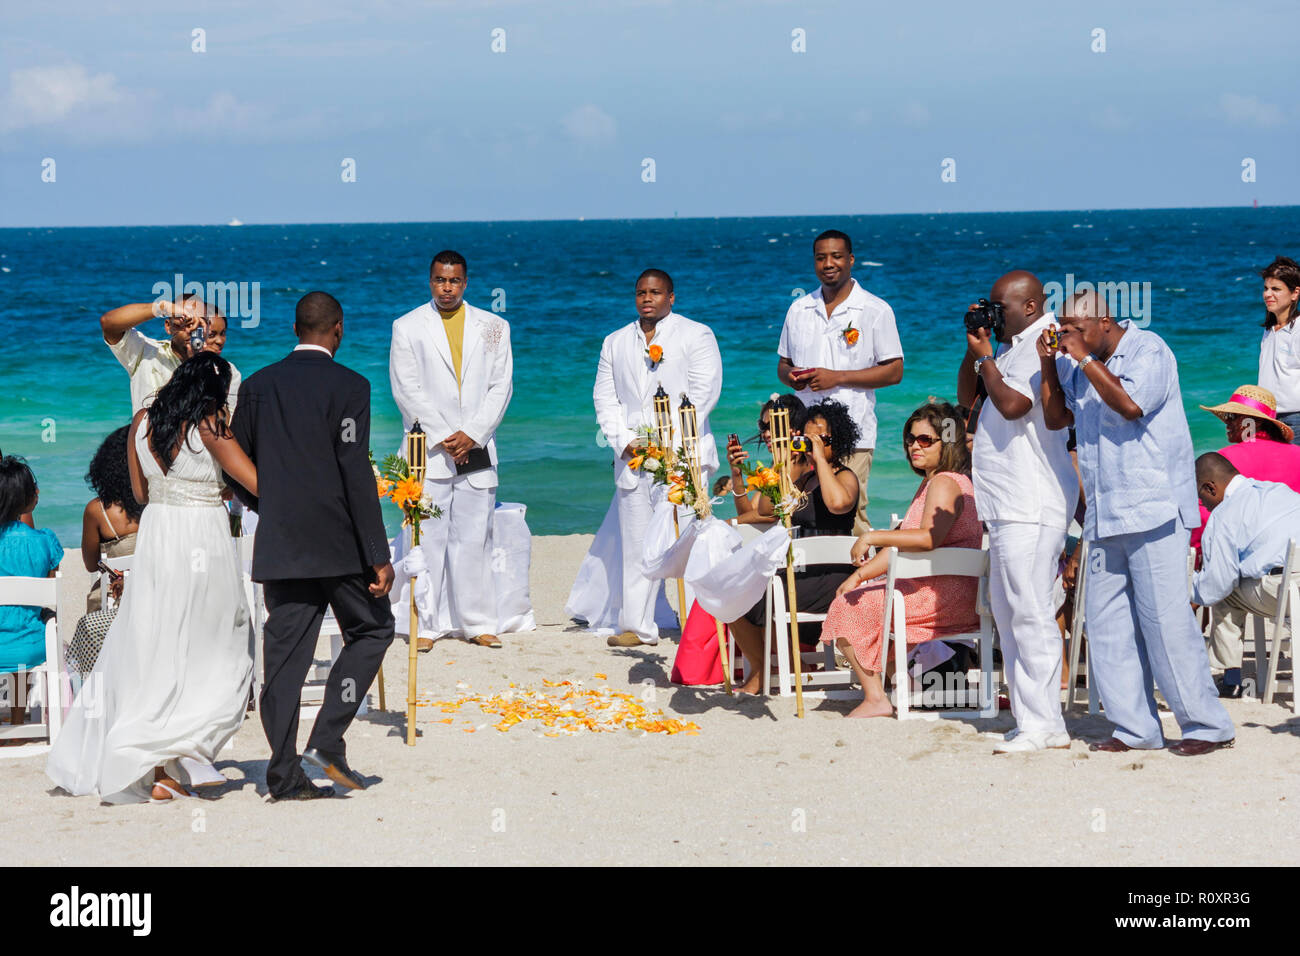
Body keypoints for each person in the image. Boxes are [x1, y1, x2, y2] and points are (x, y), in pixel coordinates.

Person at [47, 352, 258, 802]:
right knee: (219, 639)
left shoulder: (142, 420)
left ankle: (158, 766)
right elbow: (253, 482)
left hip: (160, 535)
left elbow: (140, 491)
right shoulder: (210, 425)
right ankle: (189, 749)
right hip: (202, 535)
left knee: (158, 641)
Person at [1038, 291, 1235, 756]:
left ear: (1103, 321)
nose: (1067, 337)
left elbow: (1130, 405)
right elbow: (1054, 418)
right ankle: (1135, 728)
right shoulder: (1071, 359)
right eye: (1062, 329)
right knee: (1105, 624)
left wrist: (1082, 359)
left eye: (1075, 328)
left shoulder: (1150, 350)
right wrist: (1051, 364)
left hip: (1153, 507)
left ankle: (1207, 725)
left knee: (1165, 621)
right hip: (1104, 514)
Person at [228, 291, 395, 801]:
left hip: (281, 544)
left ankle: (282, 775)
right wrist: (379, 552)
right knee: (373, 629)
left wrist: (272, 507)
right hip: (340, 543)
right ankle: (326, 740)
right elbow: (354, 474)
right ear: (338, 329)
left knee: (283, 661)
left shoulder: (256, 387)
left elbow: (234, 467)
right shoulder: (351, 386)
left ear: (295, 328)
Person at [956, 271, 1078, 752]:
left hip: (1032, 500)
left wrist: (989, 359)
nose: (993, 315)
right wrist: (977, 353)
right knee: (1009, 613)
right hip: (1009, 502)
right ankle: (1032, 719)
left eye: (998, 308)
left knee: (1030, 613)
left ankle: (1047, 724)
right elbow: (971, 398)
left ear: (1029, 307)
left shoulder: (1040, 344)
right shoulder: (1010, 347)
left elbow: (1013, 405)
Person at [585, 268, 722, 649]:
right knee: (637, 542)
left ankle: (699, 626)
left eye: (656, 292)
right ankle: (638, 625)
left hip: (683, 457)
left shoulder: (696, 335)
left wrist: (668, 445)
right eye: (641, 292)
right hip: (632, 459)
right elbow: (605, 398)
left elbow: (702, 394)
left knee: (689, 540)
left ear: (671, 297)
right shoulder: (614, 341)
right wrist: (625, 441)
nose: (647, 298)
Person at [818, 402, 982, 717]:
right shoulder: (936, 481)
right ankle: (905, 687)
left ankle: (876, 698)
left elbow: (927, 538)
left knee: (847, 608)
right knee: (852, 595)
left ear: (947, 442)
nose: (913, 446)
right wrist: (860, 575)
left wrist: (872, 535)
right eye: (910, 438)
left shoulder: (945, 482)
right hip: (940, 589)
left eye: (925, 440)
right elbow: (905, 546)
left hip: (943, 596)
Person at [390, 250, 513, 650]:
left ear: (466, 282)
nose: (447, 288)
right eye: (440, 281)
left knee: (475, 537)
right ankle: (426, 625)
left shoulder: (494, 326)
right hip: (429, 449)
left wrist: (473, 433)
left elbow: (501, 386)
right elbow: (406, 390)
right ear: (430, 282)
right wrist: (447, 434)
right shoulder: (407, 326)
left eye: (455, 281)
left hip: (477, 446)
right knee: (427, 538)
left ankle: (477, 622)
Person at [728, 399, 860, 694]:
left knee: (741, 595)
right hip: (799, 576)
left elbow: (838, 504)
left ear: (835, 440)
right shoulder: (804, 479)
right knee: (731, 593)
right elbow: (766, 508)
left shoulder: (844, 476)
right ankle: (763, 668)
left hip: (832, 581)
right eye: (806, 438)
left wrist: (821, 460)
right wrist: (780, 464)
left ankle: (762, 673)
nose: (810, 445)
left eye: (820, 438)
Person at [777, 229, 904, 533]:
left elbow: (894, 371)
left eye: (836, 256)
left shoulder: (875, 309)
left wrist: (838, 377)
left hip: (852, 434)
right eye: (821, 258)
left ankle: (858, 579)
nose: (828, 263)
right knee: (796, 509)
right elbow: (783, 365)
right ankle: (806, 578)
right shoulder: (799, 309)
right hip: (804, 433)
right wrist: (792, 378)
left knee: (850, 515)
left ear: (851, 260)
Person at [1191, 453, 1300, 698]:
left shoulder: (1223, 515)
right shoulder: (1278, 491)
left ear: (1211, 487)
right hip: (1292, 581)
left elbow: (1217, 585)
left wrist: (1190, 592)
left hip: (1286, 589)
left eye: (1201, 497)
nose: (1204, 505)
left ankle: (1231, 678)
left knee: (1226, 592)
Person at [67, 427, 143, 678]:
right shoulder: (154, 504)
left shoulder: (97, 511)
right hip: (151, 592)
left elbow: (90, 564)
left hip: (113, 604)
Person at [1192, 384, 1300, 552]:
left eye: (1232, 416)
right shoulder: (1297, 454)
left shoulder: (1222, 461)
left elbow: (1203, 517)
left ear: (1254, 421)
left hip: (1247, 557)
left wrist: (1198, 553)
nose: (1226, 423)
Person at [0, 457, 63, 733]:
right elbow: (47, 588)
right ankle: (16, 719)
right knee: (27, 622)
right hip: (33, 647)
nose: (37, 492)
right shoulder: (45, 541)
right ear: (25, 498)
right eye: (33, 488)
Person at [100, 294, 241, 415]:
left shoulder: (225, 371)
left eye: (198, 323)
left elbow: (223, 424)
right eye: (184, 322)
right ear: (169, 326)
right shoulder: (146, 353)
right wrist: (163, 308)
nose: (191, 329)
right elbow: (108, 323)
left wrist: (197, 365)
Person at [723, 394, 802, 527]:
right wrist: (737, 474)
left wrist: (727, 523)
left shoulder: (799, 461)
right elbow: (750, 513)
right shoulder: (776, 465)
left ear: (793, 429)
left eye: (773, 426)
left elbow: (771, 514)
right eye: (763, 427)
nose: (766, 434)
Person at [1256, 256, 1300, 444]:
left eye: (1276, 289)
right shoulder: (1269, 331)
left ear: (1294, 293)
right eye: (1266, 288)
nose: (1268, 294)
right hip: (1267, 418)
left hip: (1295, 420)